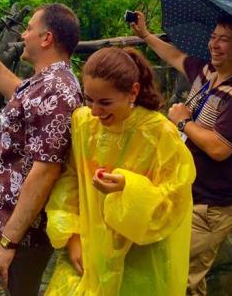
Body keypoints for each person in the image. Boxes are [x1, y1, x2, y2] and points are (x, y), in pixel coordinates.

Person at [130, 12, 232, 295]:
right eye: (213, 37)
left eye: (224, 39)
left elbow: (219, 148)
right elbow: (175, 57)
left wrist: (183, 122)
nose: (214, 44)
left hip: (210, 206)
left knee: (178, 276)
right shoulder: (207, 73)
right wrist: (145, 35)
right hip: (185, 192)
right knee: (184, 276)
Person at [44, 47, 195, 295]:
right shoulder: (84, 123)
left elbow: (175, 201)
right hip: (88, 256)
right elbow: (69, 180)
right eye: (89, 99)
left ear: (133, 92)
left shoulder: (159, 134)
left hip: (139, 265)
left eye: (105, 102)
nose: (95, 111)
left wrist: (129, 187)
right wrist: (72, 236)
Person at [0, 4, 83, 295]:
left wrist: (7, 243)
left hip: (16, 231)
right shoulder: (46, 83)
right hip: (3, 223)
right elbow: (16, 92)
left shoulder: (59, 89)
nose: (23, 35)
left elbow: (47, 170)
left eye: (29, 28)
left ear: (46, 39)